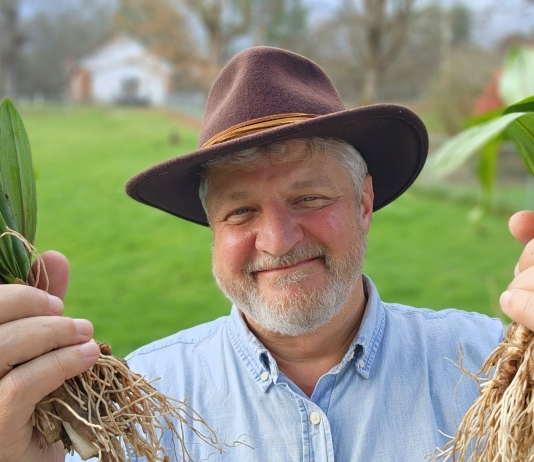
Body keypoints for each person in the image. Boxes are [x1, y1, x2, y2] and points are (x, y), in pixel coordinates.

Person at [1, 46, 534, 462]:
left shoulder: (492, 373)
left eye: (308, 199)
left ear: (364, 202)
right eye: (240, 212)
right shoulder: (139, 407)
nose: (278, 240)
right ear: (212, 227)